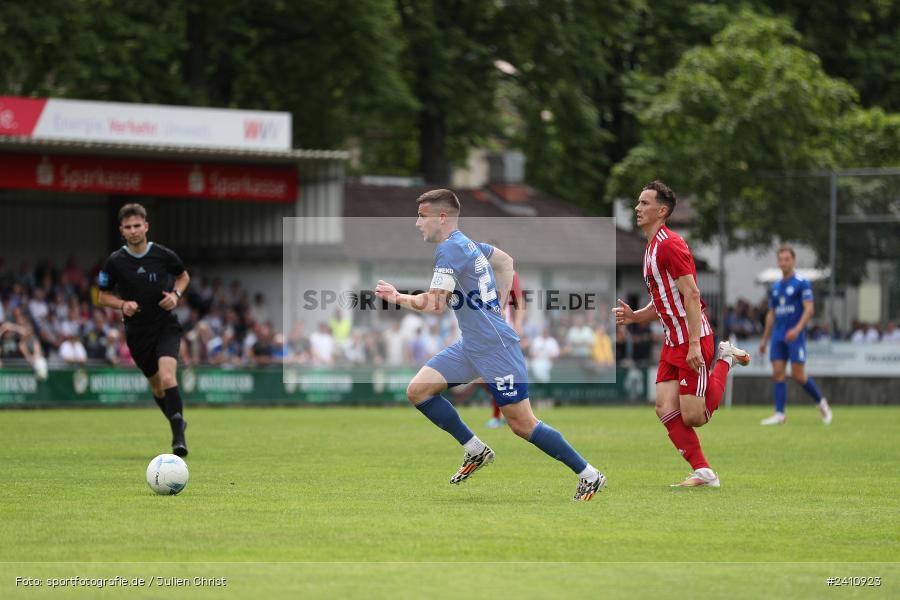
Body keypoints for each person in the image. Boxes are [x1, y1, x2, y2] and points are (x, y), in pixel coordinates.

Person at [375, 188, 606, 501]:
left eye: (422, 216)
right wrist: (498, 301)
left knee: (523, 425)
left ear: (442, 217)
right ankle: (475, 449)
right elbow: (506, 261)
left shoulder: (450, 249)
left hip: (496, 348)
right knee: (418, 391)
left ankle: (589, 475)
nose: (417, 223)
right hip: (472, 345)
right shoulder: (468, 244)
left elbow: (434, 305)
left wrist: (397, 297)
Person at [613, 181, 749, 487]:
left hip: (693, 338)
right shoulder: (650, 248)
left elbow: (691, 294)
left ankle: (726, 358)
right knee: (663, 407)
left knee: (694, 417)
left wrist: (693, 346)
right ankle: (704, 471)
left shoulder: (671, 244)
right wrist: (636, 317)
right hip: (672, 342)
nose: (638, 208)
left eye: (645, 203)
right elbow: (663, 300)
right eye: (638, 202)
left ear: (661, 211)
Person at [97, 203, 191, 456]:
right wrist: (122, 304)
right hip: (138, 333)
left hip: (165, 326)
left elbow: (183, 276)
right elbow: (102, 296)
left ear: (146, 226)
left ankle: (178, 438)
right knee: (158, 387)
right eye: (128, 227)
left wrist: (176, 294)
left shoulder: (163, 255)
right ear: (122, 230)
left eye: (137, 225)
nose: (134, 230)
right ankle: (177, 420)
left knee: (169, 377)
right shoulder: (115, 262)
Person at [757, 245, 832, 425]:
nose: (783, 263)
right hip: (778, 336)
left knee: (798, 375)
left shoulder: (801, 283)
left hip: (795, 336)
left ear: (793, 261)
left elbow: (809, 309)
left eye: (786, 259)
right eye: (780, 259)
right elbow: (771, 314)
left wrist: (797, 329)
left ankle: (821, 401)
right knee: (777, 373)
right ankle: (780, 414)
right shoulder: (775, 287)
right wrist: (764, 339)